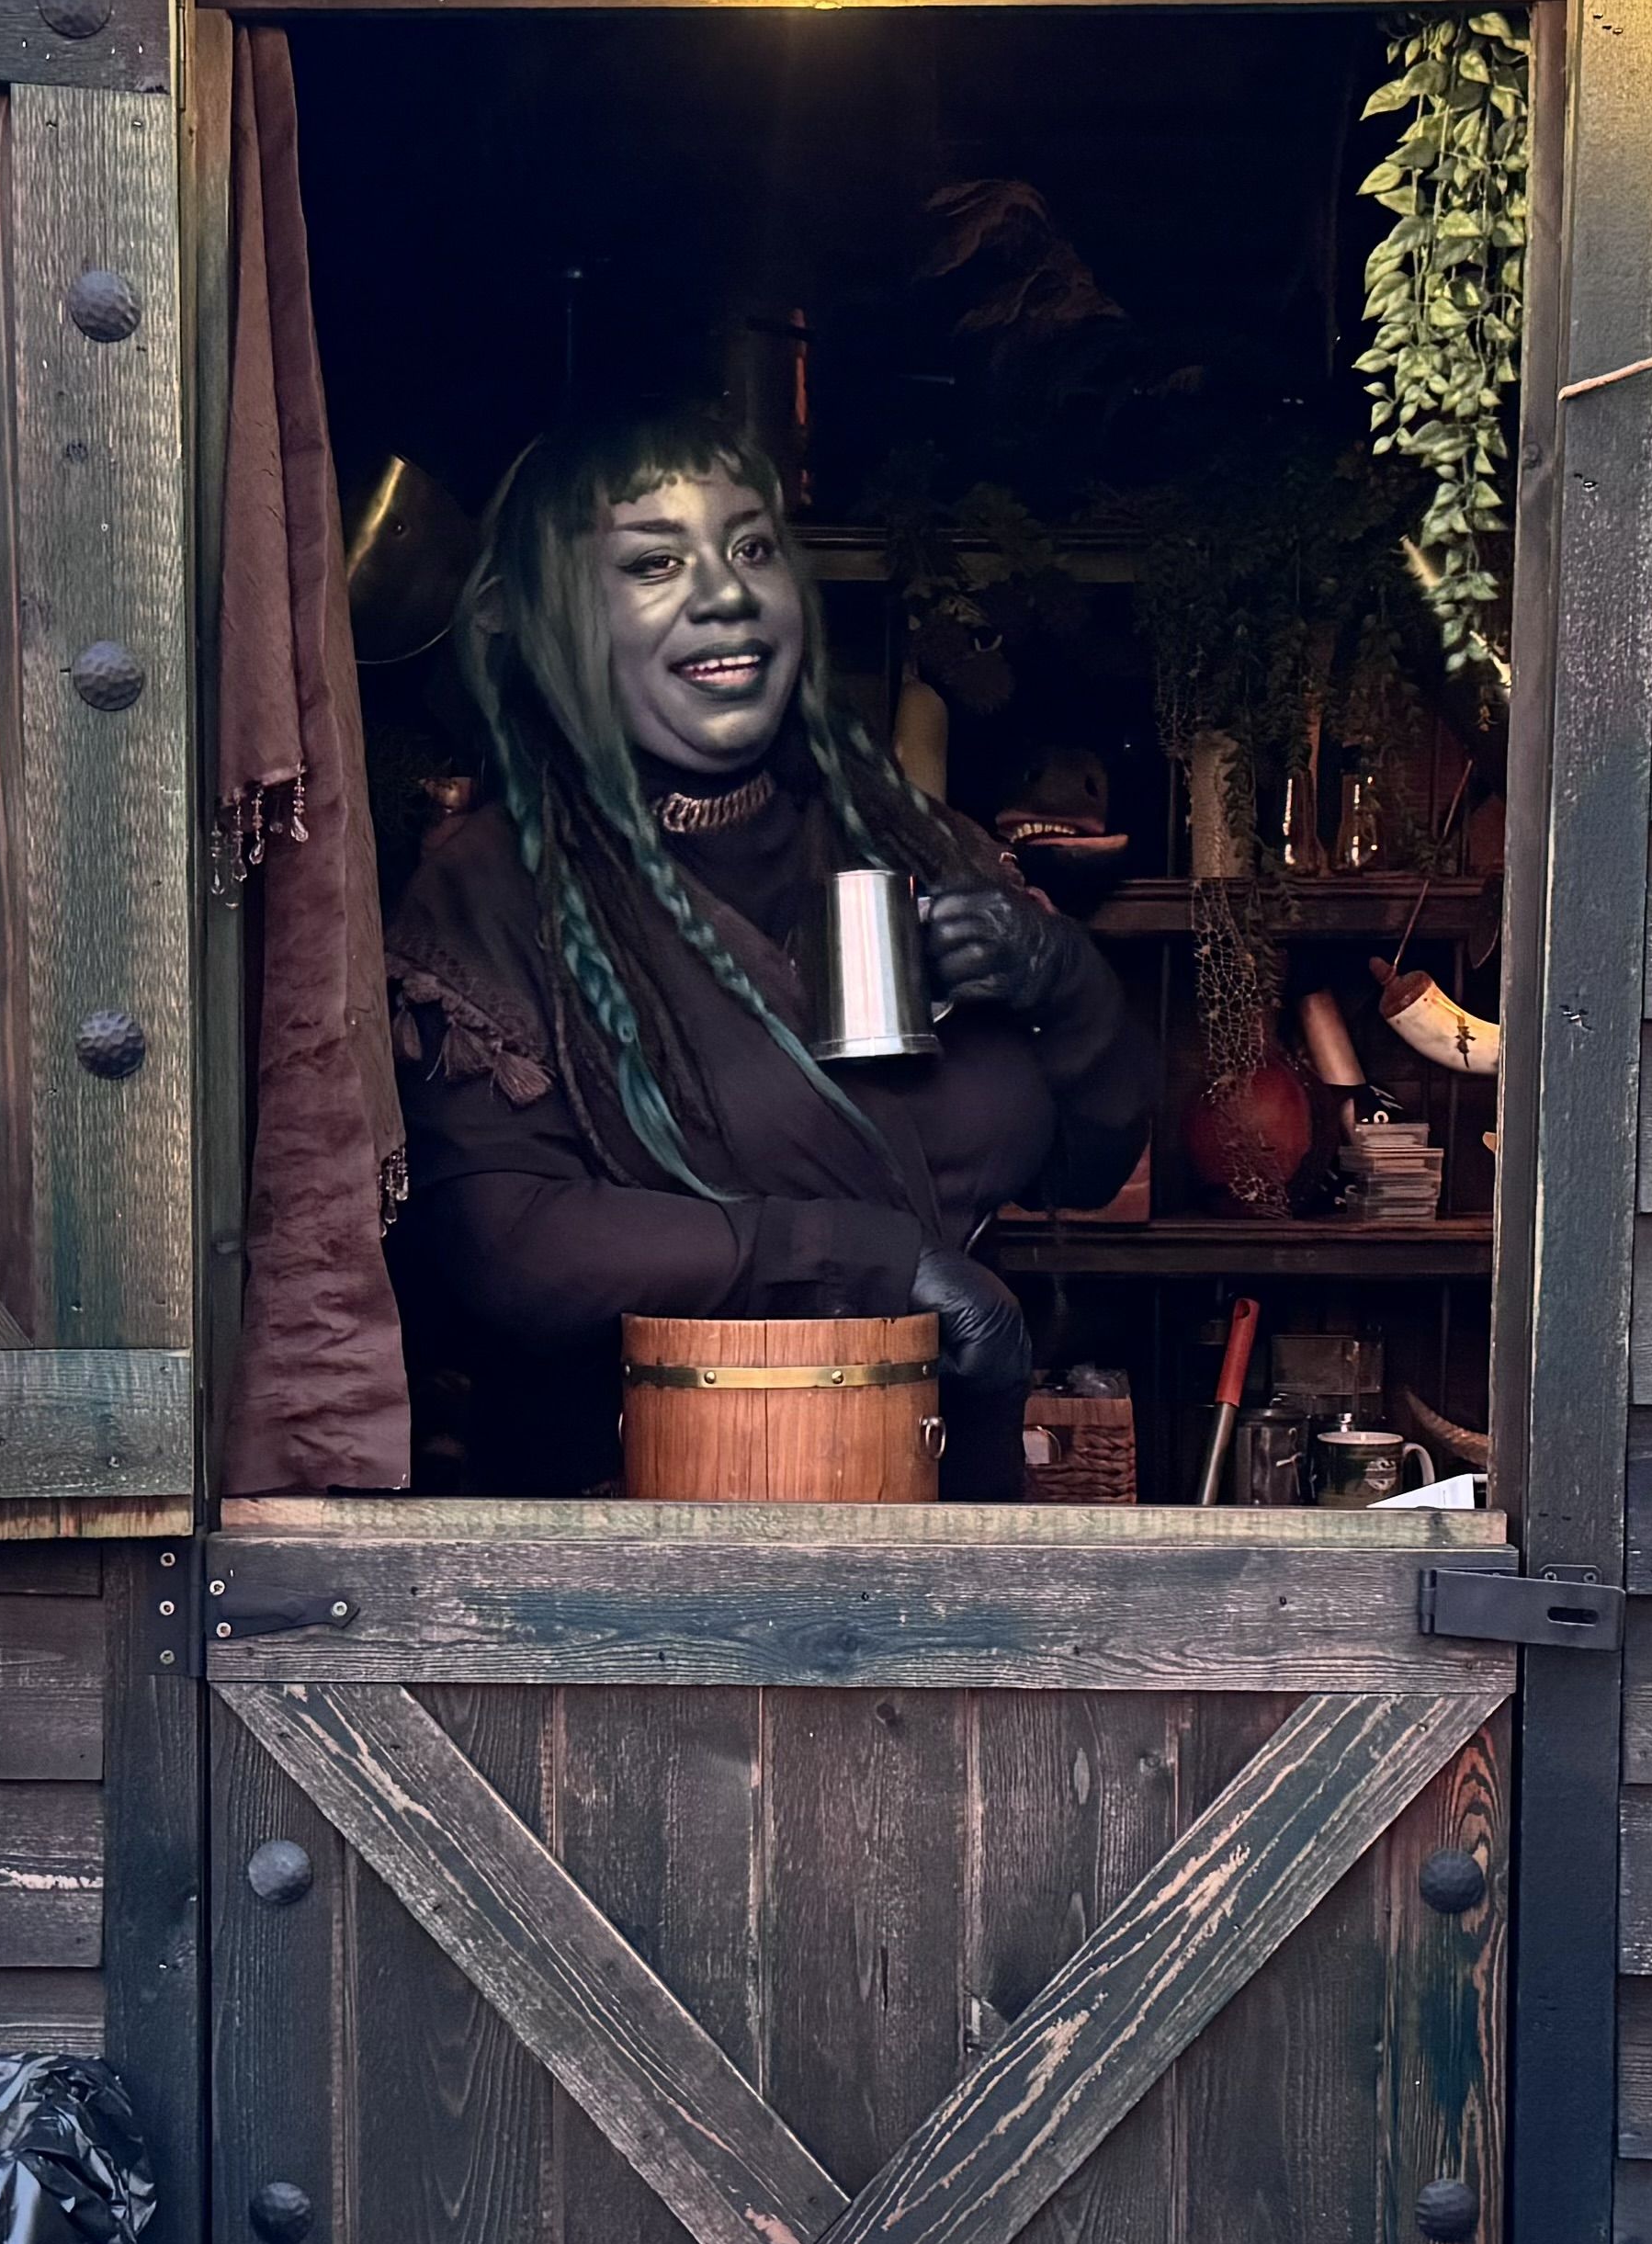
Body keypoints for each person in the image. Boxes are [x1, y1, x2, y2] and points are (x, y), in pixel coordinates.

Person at [384, 408, 1148, 1496]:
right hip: (640, 1558)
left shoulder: (905, 838)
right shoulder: (493, 890)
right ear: (539, 617)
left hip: (950, 1533)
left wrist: (1063, 982)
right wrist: (869, 1266)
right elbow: (504, 1246)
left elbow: (1093, 1162)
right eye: (655, 561)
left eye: (750, 549)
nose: (729, 594)